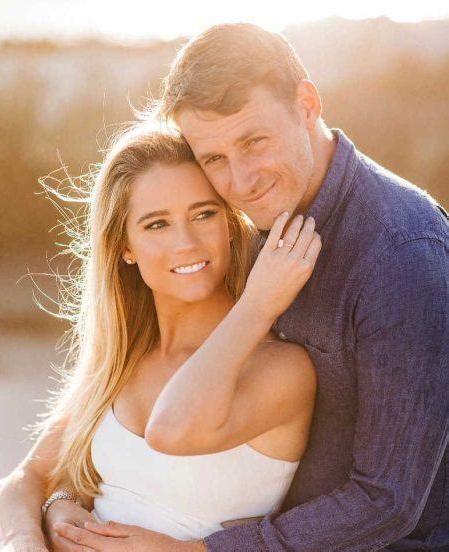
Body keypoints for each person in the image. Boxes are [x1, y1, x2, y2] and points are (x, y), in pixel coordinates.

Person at [45, 21, 448, 552]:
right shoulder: (248, 221)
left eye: (254, 141)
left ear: (307, 105)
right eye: (213, 158)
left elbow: (387, 501)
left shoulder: (402, 255)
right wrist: (54, 507)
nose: (240, 181)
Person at [0, 126, 321, 551]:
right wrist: (39, 527)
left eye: (204, 214)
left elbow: (174, 427)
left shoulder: (282, 368)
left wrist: (258, 305)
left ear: (229, 224)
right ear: (125, 247)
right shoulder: (123, 359)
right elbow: (26, 479)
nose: (186, 242)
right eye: (157, 224)